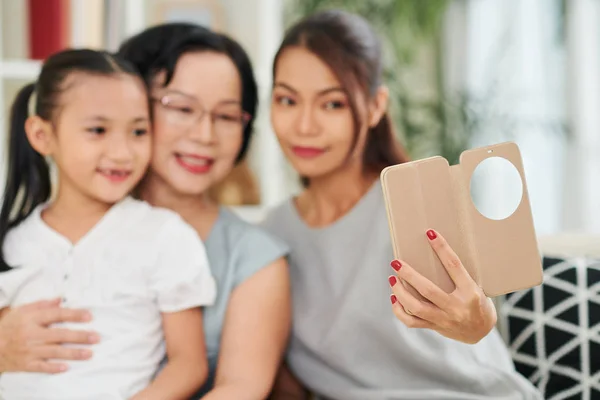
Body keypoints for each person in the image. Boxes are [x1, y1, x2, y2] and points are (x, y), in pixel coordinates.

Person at [263, 10, 542, 400]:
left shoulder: (418, 199)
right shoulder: (272, 236)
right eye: (287, 100)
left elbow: (477, 320)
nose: (304, 125)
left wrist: (474, 320)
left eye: (333, 104)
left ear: (376, 106)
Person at [0, 49, 216, 399]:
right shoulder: (12, 243)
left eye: (138, 131)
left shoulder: (164, 236)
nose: (122, 152)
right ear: (42, 136)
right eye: (98, 130)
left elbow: (188, 364)